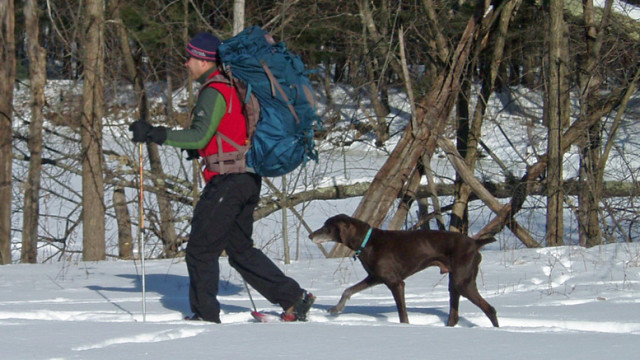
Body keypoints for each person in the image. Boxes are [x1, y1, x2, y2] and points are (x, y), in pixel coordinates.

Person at [129, 32, 314, 323]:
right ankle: (294, 299)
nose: (187, 63)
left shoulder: (214, 90)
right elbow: (221, 133)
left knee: (201, 250)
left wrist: (154, 133)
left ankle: (205, 317)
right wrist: (202, 149)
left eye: (190, 57)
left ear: (204, 60)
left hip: (229, 181)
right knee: (239, 250)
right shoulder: (231, 86)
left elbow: (199, 133)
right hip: (246, 179)